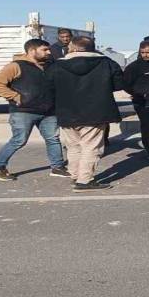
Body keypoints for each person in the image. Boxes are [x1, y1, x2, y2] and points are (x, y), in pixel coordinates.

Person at [47, 35, 124, 191]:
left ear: (73, 48)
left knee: (73, 147)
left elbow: (48, 88)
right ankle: (85, 180)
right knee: (91, 147)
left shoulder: (56, 66)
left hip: (66, 112)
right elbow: (119, 84)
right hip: (96, 111)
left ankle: (75, 175)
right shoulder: (106, 63)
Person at [0, 39, 68, 182]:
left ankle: (58, 167)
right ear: (31, 51)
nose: (49, 52)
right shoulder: (15, 66)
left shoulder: (50, 65)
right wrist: (17, 97)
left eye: (48, 50)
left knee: (53, 139)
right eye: (44, 50)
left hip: (48, 111)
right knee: (19, 140)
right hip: (24, 111)